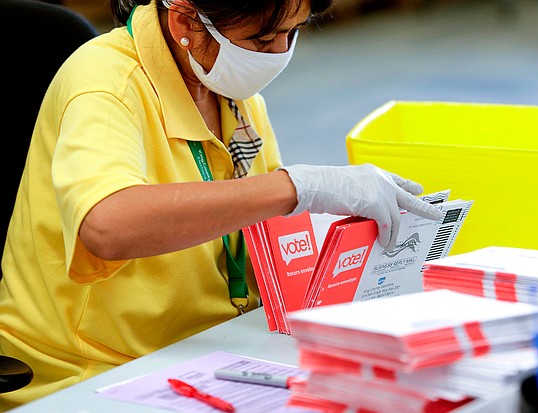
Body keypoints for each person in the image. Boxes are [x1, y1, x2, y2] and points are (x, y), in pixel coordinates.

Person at [0, 0, 442, 408]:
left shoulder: (228, 89)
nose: (278, 54)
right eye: (261, 40)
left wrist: (351, 254)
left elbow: (261, 230)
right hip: (101, 368)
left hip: (211, 349)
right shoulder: (106, 84)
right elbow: (107, 225)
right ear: (186, 21)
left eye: (293, 32)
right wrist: (297, 187)